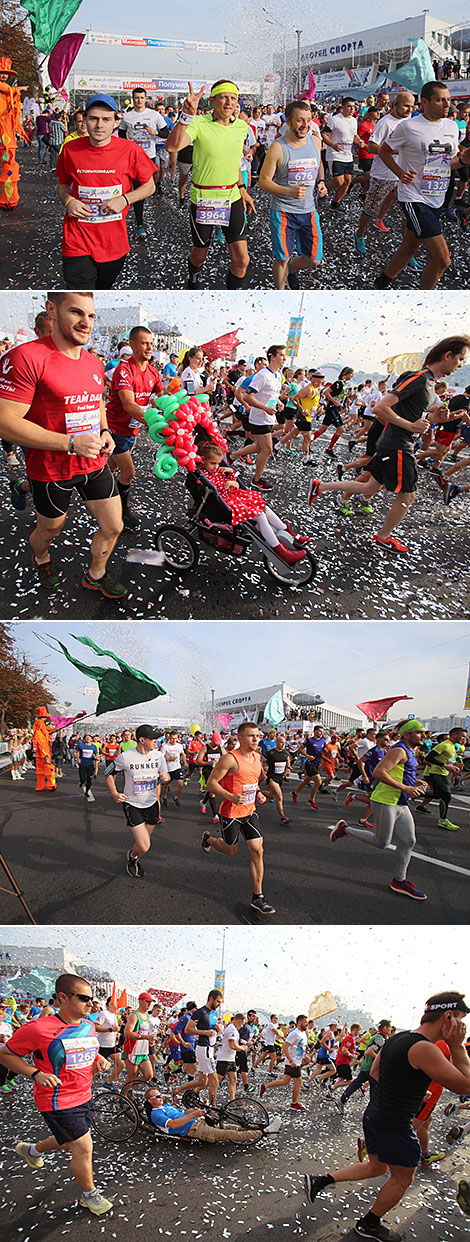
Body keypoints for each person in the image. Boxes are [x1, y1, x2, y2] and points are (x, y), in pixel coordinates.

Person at [303, 990, 470, 1242]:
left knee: (377, 1166)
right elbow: (466, 1087)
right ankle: (369, 1224)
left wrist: (405, 1090)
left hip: (374, 1114)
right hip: (395, 1122)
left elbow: (377, 1072)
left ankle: (320, 1180)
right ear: (448, 1017)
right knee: (404, 1177)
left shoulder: (398, 1038)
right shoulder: (425, 1048)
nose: (463, 1026)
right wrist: (457, 1046)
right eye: (460, 1019)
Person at [0, 290, 127, 599]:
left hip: (94, 462)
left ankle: (96, 575)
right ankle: (41, 558)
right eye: (76, 313)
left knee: (114, 526)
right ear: (51, 310)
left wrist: (106, 429)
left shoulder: (93, 363)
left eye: (91, 315)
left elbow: (96, 400)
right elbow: (5, 421)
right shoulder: (25, 357)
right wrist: (70, 443)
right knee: (51, 530)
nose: (86, 322)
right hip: (50, 468)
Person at [308, 335, 470, 554]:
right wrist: (410, 427)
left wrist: (437, 419)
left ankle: (322, 486)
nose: (461, 364)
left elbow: (416, 417)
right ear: (447, 355)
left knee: (370, 487)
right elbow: (381, 408)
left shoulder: (430, 383)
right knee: (408, 495)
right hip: (398, 444)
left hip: (395, 442)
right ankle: (383, 537)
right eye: (460, 358)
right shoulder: (420, 378)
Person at [0, 972, 113, 1216]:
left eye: (92, 999)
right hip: (56, 1100)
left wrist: (99, 1057)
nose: (91, 1004)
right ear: (63, 997)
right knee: (83, 1146)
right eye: (84, 998)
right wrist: (34, 1074)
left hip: (84, 1096)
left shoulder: (88, 1026)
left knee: (69, 1141)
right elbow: (5, 1054)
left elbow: (87, 1050)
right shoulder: (39, 1028)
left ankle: (32, 1150)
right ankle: (89, 1196)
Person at [56, 93, 156, 288]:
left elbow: (150, 186)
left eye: (106, 119)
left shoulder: (130, 150)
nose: (99, 125)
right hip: (77, 240)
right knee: (80, 292)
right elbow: (63, 184)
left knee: (103, 291)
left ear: (115, 123)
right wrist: (69, 201)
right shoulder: (70, 149)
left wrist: (125, 200)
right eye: (94, 118)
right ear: (84, 120)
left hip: (113, 244)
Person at [374, 81, 466, 290]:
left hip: (438, 196)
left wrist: (462, 161)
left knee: (410, 246)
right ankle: (424, 301)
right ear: (425, 102)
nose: (446, 105)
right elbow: (383, 151)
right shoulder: (408, 127)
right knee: (443, 260)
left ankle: (381, 282)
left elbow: (448, 162)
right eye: (440, 100)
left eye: (448, 100)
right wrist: (400, 173)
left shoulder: (451, 127)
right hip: (414, 198)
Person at [166, 79, 256, 288]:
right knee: (199, 255)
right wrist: (186, 116)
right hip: (204, 199)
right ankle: (193, 278)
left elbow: (233, 161)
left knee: (242, 259)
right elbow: (172, 146)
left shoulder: (242, 127)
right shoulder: (198, 123)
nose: (228, 102)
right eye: (223, 97)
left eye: (233, 98)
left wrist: (242, 188)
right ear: (212, 100)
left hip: (231, 197)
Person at [330, 720, 429, 901]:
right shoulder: (398, 750)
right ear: (407, 734)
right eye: (420, 732)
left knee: (408, 840)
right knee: (381, 842)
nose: (424, 735)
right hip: (385, 801)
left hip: (401, 802)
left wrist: (415, 782)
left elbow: (397, 773)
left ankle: (399, 880)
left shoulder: (409, 751)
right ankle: (345, 829)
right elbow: (378, 772)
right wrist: (405, 788)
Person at [197, 441, 308, 566]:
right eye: (213, 463)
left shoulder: (217, 470)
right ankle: (279, 550)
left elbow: (235, 485)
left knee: (264, 508)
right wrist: (227, 485)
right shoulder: (204, 474)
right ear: (202, 460)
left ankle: (286, 531)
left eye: (217, 463)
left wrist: (230, 475)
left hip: (234, 497)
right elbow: (216, 490)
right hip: (227, 504)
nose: (216, 466)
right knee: (260, 516)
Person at [204, 721, 274, 915]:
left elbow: (251, 781)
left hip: (250, 812)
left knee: (257, 851)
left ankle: (258, 897)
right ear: (240, 738)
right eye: (251, 736)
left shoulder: (257, 757)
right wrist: (231, 797)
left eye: (257, 735)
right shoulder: (229, 759)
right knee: (231, 850)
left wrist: (258, 792)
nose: (255, 739)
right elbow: (211, 784)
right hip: (231, 814)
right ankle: (208, 839)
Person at [259, 98, 326, 289]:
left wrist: (321, 182)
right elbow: (264, 181)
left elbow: (318, 164)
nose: (305, 125)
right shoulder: (278, 147)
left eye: (308, 120)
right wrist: (289, 192)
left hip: (308, 210)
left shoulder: (315, 141)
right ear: (288, 122)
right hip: (283, 212)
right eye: (299, 120)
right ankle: (280, 295)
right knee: (281, 258)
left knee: (314, 259)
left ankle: (290, 270)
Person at [106, 325, 163, 528]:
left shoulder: (154, 373)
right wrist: (157, 424)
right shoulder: (123, 370)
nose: (149, 348)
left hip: (132, 429)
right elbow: (129, 405)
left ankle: (95, 488)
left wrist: (174, 410)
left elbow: (160, 399)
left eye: (151, 343)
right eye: (144, 343)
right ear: (132, 344)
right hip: (114, 428)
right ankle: (121, 513)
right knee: (128, 472)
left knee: (111, 467)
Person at [105, 724, 170, 878]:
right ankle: (133, 856)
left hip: (152, 804)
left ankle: (134, 859)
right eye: (153, 739)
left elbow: (164, 773)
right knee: (145, 845)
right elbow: (108, 774)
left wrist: (166, 777)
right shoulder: (125, 757)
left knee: (143, 844)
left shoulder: (158, 756)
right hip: (132, 804)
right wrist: (114, 793)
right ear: (142, 740)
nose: (157, 741)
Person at [118, 87, 169, 237]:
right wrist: (127, 141)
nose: (139, 100)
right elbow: (121, 134)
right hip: (133, 157)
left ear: (146, 99)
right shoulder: (127, 116)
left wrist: (156, 133)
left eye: (141, 97)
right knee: (138, 190)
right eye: (136, 98)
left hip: (150, 156)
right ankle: (140, 223)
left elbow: (166, 132)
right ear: (133, 99)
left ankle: (138, 216)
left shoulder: (153, 115)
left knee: (147, 189)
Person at [144, 1087, 263, 1142]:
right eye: (157, 1097)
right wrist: (194, 1114)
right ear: (150, 1100)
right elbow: (173, 1124)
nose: (161, 1098)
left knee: (231, 1126)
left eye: (160, 1095)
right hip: (194, 1129)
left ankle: (260, 1128)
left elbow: (184, 1112)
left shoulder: (166, 1106)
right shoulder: (156, 1114)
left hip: (199, 1121)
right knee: (229, 1133)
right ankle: (264, 1133)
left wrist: (199, 1108)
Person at [416, 726, 467, 830]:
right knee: (446, 795)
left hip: (443, 773)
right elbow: (429, 757)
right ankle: (443, 820)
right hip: (436, 773)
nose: (463, 739)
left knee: (438, 795)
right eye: (462, 736)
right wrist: (445, 766)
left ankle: (413, 792)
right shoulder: (444, 745)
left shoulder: (453, 746)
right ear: (454, 735)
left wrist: (454, 765)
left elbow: (447, 760)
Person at [260, 1014, 309, 1111]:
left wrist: (305, 1055)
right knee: (298, 1082)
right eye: (305, 1022)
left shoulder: (303, 1033)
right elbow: (285, 1046)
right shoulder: (294, 1033)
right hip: (293, 1062)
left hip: (296, 1061)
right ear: (299, 1022)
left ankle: (264, 1087)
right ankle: (294, 1104)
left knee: (285, 1081)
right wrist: (291, 1060)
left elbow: (301, 1047)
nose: (307, 1024)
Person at [74, 732, 99, 802]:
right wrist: (78, 758)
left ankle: (87, 791)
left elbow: (96, 754)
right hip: (82, 764)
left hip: (90, 765)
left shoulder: (93, 746)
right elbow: (74, 752)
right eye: (86, 738)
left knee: (89, 779)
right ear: (84, 739)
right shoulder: (81, 745)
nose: (88, 739)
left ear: (91, 739)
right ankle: (81, 782)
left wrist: (96, 757)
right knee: (83, 778)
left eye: (89, 738)